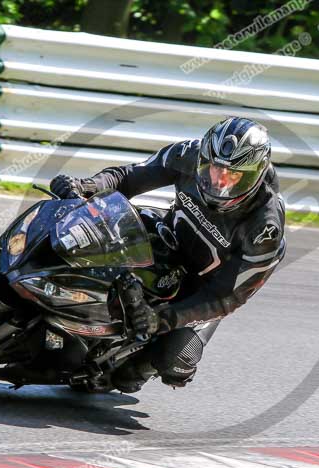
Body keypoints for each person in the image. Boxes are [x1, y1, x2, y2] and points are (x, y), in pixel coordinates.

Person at [51, 117, 286, 392]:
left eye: (233, 176)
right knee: (91, 237)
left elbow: (227, 295)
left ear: (256, 174)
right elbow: (128, 177)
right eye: (212, 169)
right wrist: (87, 187)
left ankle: (133, 363)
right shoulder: (189, 153)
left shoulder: (265, 227)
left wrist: (162, 320)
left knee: (169, 362)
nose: (219, 182)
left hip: (203, 288)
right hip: (168, 238)